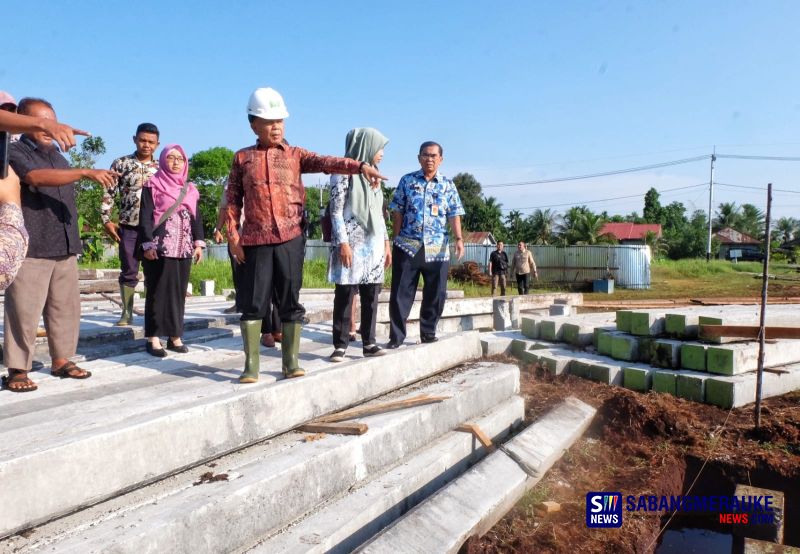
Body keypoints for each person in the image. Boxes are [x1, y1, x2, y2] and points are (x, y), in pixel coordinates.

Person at [225, 87, 386, 383]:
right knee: (255, 302)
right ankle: (251, 366)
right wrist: (232, 235)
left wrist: (361, 166)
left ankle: (291, 362)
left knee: (290, 299)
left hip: (290, 237)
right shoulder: (242, 159)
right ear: (253, 125)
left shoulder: (297, 155)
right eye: (269, 121)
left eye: (280, 121)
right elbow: (232, 199)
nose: (276, 127)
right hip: (255, 240)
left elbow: (328, 162)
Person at [3, 98, 117, 393]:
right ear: (25, 122)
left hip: (64, 243)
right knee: (24, 311)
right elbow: (34, 178)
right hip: (34, 245)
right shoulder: (15, 151)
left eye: (52, 121)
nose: (49, 128)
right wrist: (85, 172)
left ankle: (61, 360)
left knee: (65, 308)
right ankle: (18, 369)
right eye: (42, 122)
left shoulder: (57, 155)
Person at [387, 141, 465, 348]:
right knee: (401, 293)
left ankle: (428, 332)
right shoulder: (407, 181)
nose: (429, 159)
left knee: (436, 292)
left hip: (437, 247)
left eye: (433, 156)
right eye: (425, 155)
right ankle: (396, 336)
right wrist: (396, 238)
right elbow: (397, 210)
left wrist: (459, 238)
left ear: (441, 159)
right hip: (408, 245)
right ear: (418, 157)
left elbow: (454, 213)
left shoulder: (448, 185)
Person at [327, 127, 391, 362]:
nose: (382, 152)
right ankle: (340, 344)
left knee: (371, 294)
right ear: (365, 145)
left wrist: (385, 242)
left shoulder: (375, 175)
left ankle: (369, 342)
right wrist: (343, 243)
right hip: (350, 244)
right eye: (379, 146)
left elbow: (379, 213)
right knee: (344, 292)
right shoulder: (342, 174)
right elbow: (335, 212)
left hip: (372, 244)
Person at [139, 145, 205, 357]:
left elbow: (196, 219)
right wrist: (147, 244)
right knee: (158, 292)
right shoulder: (153, 184)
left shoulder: (191, 189)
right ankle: (154, 337)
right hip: (159, 247)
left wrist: (198, 243)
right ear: (162, 160)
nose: (176, 162)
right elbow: (146, 216)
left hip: (183, 248)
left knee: (178, 293)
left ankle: (175, 336)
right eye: (171, 158)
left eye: (180, 158)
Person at [102, 123, 160, 326]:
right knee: (129, 269)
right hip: (128, 226)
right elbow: (108, 192)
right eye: (143, 140)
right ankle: (126, 312)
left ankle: (153, 313)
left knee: (155, 271)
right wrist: (106, 220)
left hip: (154, 229)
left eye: (151, 142)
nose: (146, 145)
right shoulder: (121, 164)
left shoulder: (161, 168)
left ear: (157, 144)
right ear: (134, 139)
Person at [214, 181, 281, 346]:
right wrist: (218, 229)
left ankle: (277, 328)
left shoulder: (273, 177)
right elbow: (225, 209)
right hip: (242, 240)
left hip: (272, 238)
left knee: (277, 285)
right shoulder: (231, 184)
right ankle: (265, 330)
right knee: (257, 286)